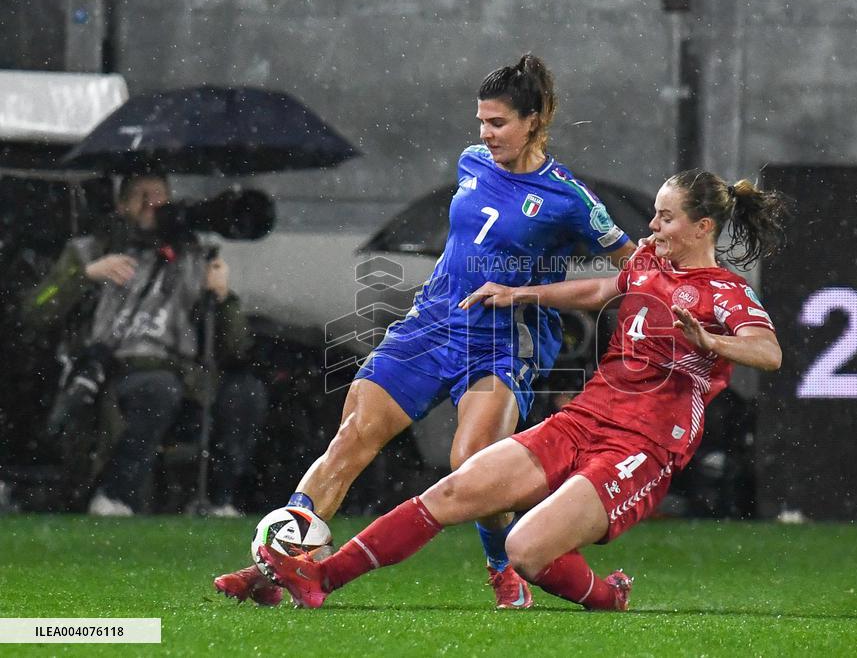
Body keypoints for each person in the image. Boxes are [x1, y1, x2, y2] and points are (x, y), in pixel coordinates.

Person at [256, 169, 790, 610]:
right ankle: (319, 580)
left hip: (643, 446)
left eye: (666, 217)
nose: (652, 227)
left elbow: (768, 352)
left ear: (702, 227)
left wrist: (711, 339)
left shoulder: (724, 292)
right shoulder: (650, 264)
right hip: (586, 418)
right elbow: (603, 288)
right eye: (654, 212)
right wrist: (521, 293)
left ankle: (603, 595)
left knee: (525, 549)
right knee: (456, 488)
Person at [214, 53, 636, 608]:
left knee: (473, 462)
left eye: (498, 123)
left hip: (502, 342)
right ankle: (279, 566)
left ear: (533, 120)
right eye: (481, 122)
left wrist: (536, 294)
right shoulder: (472, 163)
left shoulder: (568, 198)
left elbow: (635, 267)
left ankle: (500, 567)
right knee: (350, 440)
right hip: (430, 326)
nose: (485, 134)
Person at [22, 172, 265, 517]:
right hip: (115, 374)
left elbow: (236, 347)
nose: (152, 203)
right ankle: (114, 495)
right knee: (157, 388)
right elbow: (35, 310)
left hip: (186, 380)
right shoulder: (92, 249)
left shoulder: (193, 254)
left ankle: (219, 500)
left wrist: (224, 298)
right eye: (141, 195)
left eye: (159, 195)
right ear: (121, 205)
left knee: (246, 393)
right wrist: (85, 275)